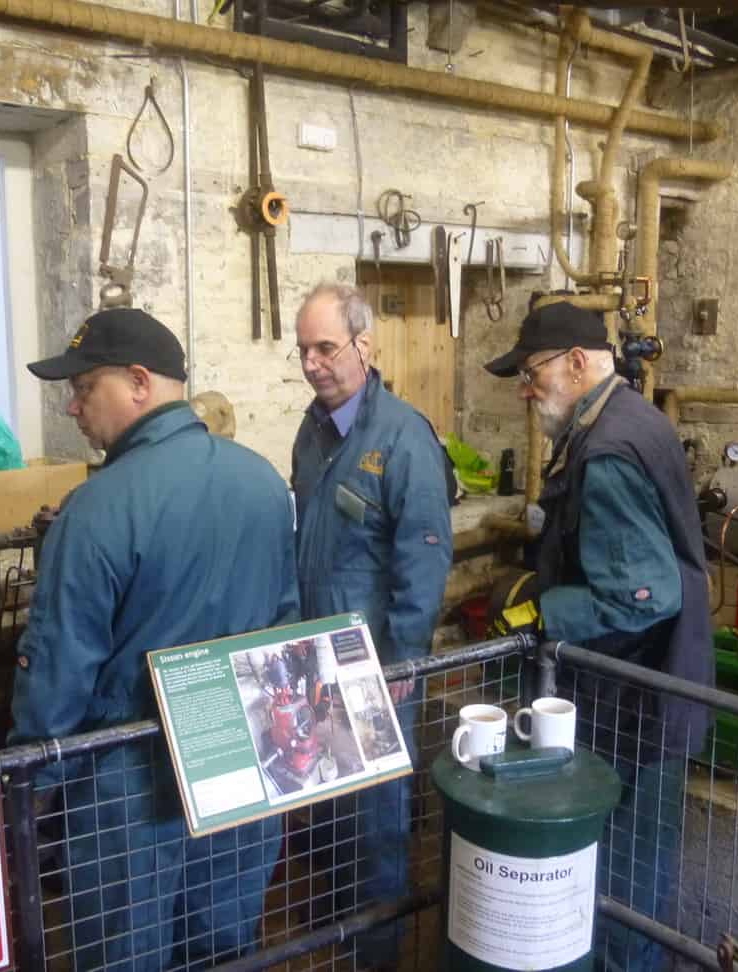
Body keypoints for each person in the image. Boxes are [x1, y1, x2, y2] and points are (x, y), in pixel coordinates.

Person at [10, 307, 300, 971]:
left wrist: (31, 782)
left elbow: (58, 669)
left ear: (140, 382)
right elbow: (286, 621)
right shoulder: (263, 483)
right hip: (244, 758)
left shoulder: (96, 509)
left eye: (85, 388)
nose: (72, 407)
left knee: (123, 954)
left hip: (127, 780)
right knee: (226, 946)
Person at [484, 300, 713, 972]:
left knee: (624, 888)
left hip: (638, 706)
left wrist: (545, 611)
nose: (526, 391)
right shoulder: (630, 418)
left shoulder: (608, 450)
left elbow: (644, 594)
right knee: (629, 880)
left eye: (531, 374)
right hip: (652, 688)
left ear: (578, 363)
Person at [290, 282, 453, 969]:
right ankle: (334, 947)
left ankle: (378, 957)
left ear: (363, 345)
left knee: (376, 827)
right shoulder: (311, 430)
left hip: (373, 668)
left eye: (325, 347)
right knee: (324, 818)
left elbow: (424, 561)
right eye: (302, 349)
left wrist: (405, 663)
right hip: (313, 662)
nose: (311, 363)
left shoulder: (403, 438)